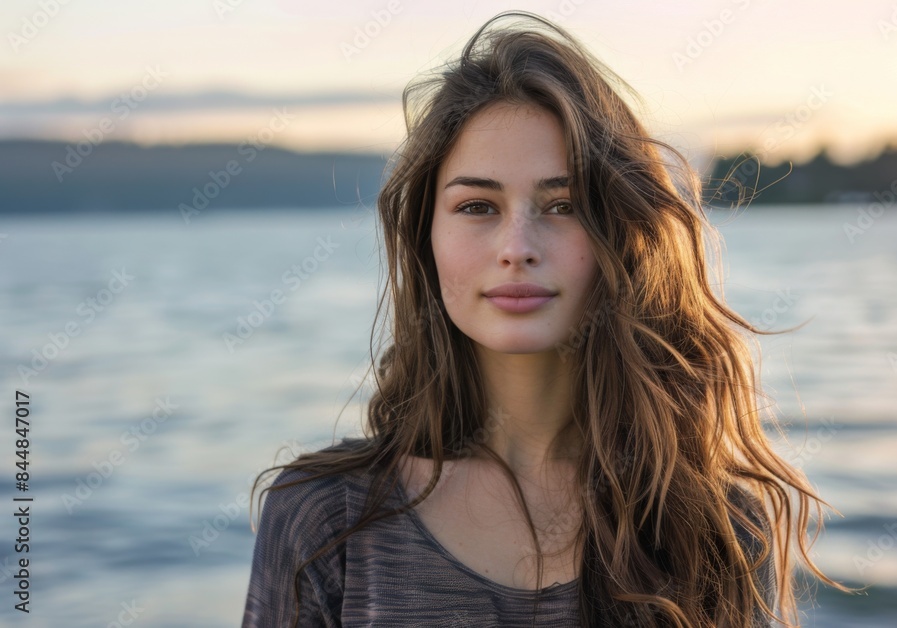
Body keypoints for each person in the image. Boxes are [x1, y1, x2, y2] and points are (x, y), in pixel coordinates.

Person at [242, 10, 842, 627]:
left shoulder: (713, 526)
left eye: (563, 205)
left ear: (621, 233)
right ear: (427, 237)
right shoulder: (325, 519)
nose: (517, 245)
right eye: (477, 205)